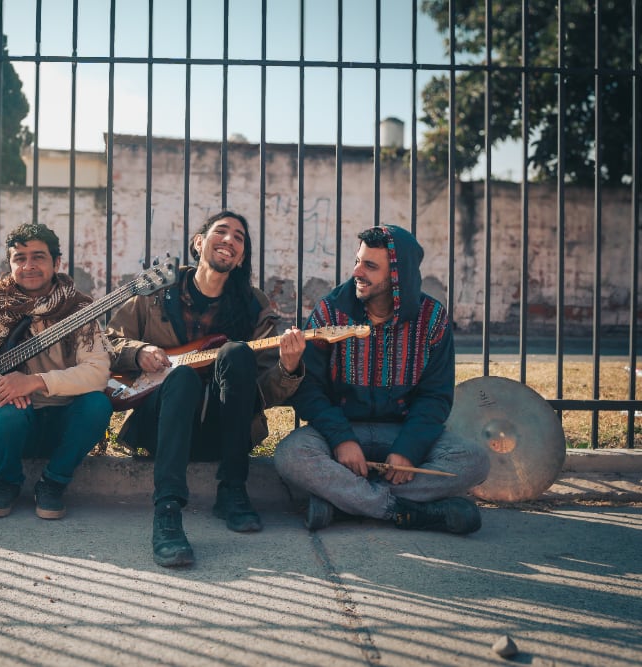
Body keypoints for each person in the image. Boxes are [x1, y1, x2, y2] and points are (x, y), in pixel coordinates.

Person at [105, 210, 306, 567]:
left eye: (239, 238)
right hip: (160, 428)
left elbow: (265, 392)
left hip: (224, 432)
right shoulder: (156, 293)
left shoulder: (254, 305)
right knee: (181, 378)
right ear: (199, 243)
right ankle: (167, 513)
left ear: (241, 257)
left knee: (236, 353)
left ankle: (232, 491)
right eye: (221, 231)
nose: (229, 240)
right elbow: (107, 343)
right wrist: (138, 352)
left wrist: (288, 368)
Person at [274, 224, 490, 534]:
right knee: (291, 455)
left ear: (398, 277)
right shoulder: (330, 312)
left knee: (474, 460)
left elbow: (435, 396)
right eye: (357, 261)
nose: (357, 272)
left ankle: (344, 504)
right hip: (342, 429)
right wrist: (342, 439)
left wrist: (408, 450)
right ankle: (408, 511)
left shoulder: (432, 318)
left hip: (402, 431)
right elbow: (309, 388)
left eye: (370, 266)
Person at [0, 222, 112, 520]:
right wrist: (1, 386)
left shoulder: (79, 310)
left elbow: (97, 372)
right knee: (9, 408)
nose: (28, 265)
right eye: (19, 258)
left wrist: (34, 382)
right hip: (15, 426)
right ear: (10, 265)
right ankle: (6, 481)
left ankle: (53, 482)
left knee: (98, 404)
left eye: (38, 257)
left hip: (66, 423)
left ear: (56, 263)